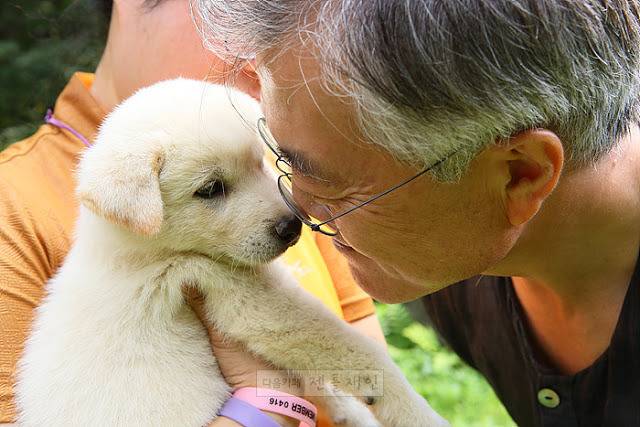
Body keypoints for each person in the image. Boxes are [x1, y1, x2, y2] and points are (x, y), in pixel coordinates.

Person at [191, 1, 640, 426]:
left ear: (520, 174)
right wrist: (265, 395)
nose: (296, 210)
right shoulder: (451, 243)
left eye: (333, 183)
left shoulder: (439, 242)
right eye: (282, 159)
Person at [0, 1, 385, 425]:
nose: (271, 33)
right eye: (237, 7)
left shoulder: (271, 171)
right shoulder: (13, 206)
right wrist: (264, 407)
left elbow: (370, 385)